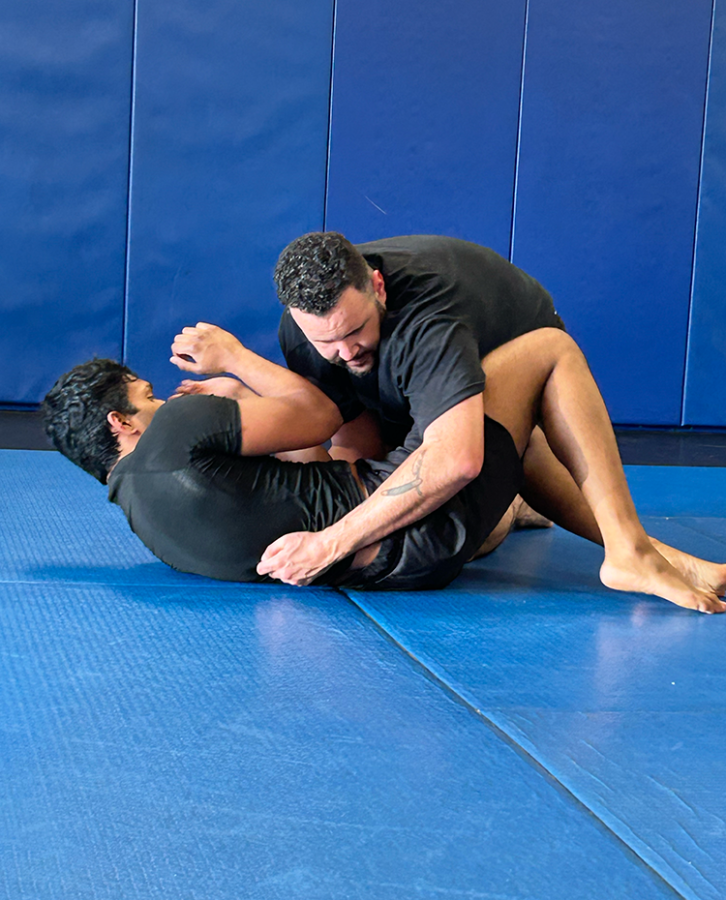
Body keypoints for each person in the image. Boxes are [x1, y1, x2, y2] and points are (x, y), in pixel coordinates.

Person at [44, 322, 726, 612]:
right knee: (545, 352)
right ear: (119, 424)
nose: (163, 401)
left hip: (389, 568)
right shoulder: (176, 432)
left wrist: (235, 404)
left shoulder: (141, 516)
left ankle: (646, 552)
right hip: (410, 520)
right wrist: (232, 363)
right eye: (149, 398)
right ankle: (632, 551)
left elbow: (298, 466)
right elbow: (319, 416)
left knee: (506, 444)